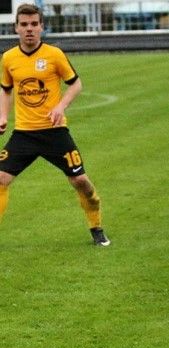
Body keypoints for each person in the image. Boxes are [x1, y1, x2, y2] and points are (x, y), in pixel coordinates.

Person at [0, 3, 110, 246]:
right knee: (1, 178)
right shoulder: (9, 58)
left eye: (34, 24)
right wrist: (3, 116)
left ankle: (96, 226)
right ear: (16, 28)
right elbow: (6, 89)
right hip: (24, 134)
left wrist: (61, 106)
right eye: (24, 24)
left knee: (80, 182)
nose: (29, 29)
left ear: (42, 27)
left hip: (55, 133)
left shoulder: (54, 54)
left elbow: (76, 84)